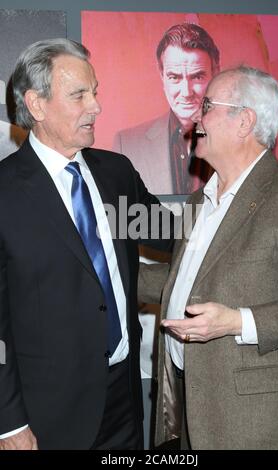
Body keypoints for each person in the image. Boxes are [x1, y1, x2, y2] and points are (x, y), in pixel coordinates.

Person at [0, 38, 173, 450]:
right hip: (47, 416)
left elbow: (170, 235)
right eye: (79, 95)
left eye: (94, 92)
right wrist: (8, 423)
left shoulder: (115, 174)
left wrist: (231, 192)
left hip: (125, 400)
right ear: (36, 105)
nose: (95, 106)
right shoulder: (4, 193)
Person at [139, 66, 278, 449]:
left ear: (244, 121)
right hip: (189, 407)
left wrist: (236, 322)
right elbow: (187, 282)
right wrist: (106, 272)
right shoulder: (200, 201)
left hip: (254, 422)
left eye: (208, 105)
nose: (196, 115)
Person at [113, 23, 220, 194]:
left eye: (197, 76)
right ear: (162, 77)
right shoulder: (126, 145)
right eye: (174, 77)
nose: (186, 92)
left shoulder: (244, 139)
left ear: (216, 74)